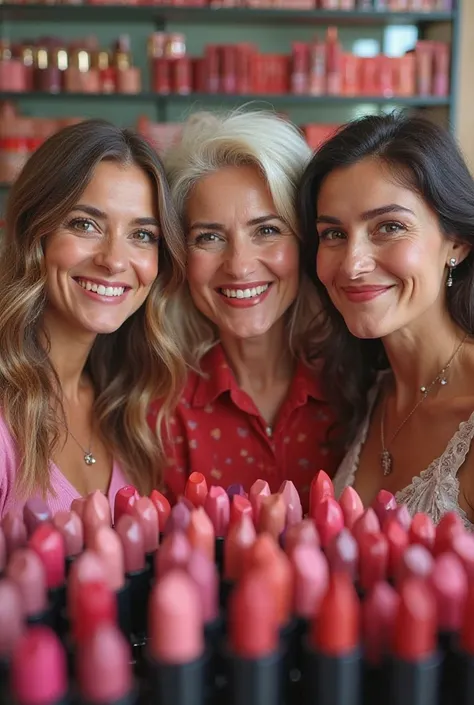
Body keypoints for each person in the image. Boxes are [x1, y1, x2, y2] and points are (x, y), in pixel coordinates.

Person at [148, 109, 340, 508]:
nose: (239, 265)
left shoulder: (361, 383)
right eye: (209, 237)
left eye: (267, 230)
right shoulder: (155, 404)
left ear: (306, 241)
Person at [0, 119, 187, 518]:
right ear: (35, 233)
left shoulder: (127, 403)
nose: (114, 260)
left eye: (142, 235)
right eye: (85, 224)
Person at [298, 112, 474, 527]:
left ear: (458, 243)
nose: (353, 265)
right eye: (333, 234)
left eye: (389, 227)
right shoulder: (365, 389)